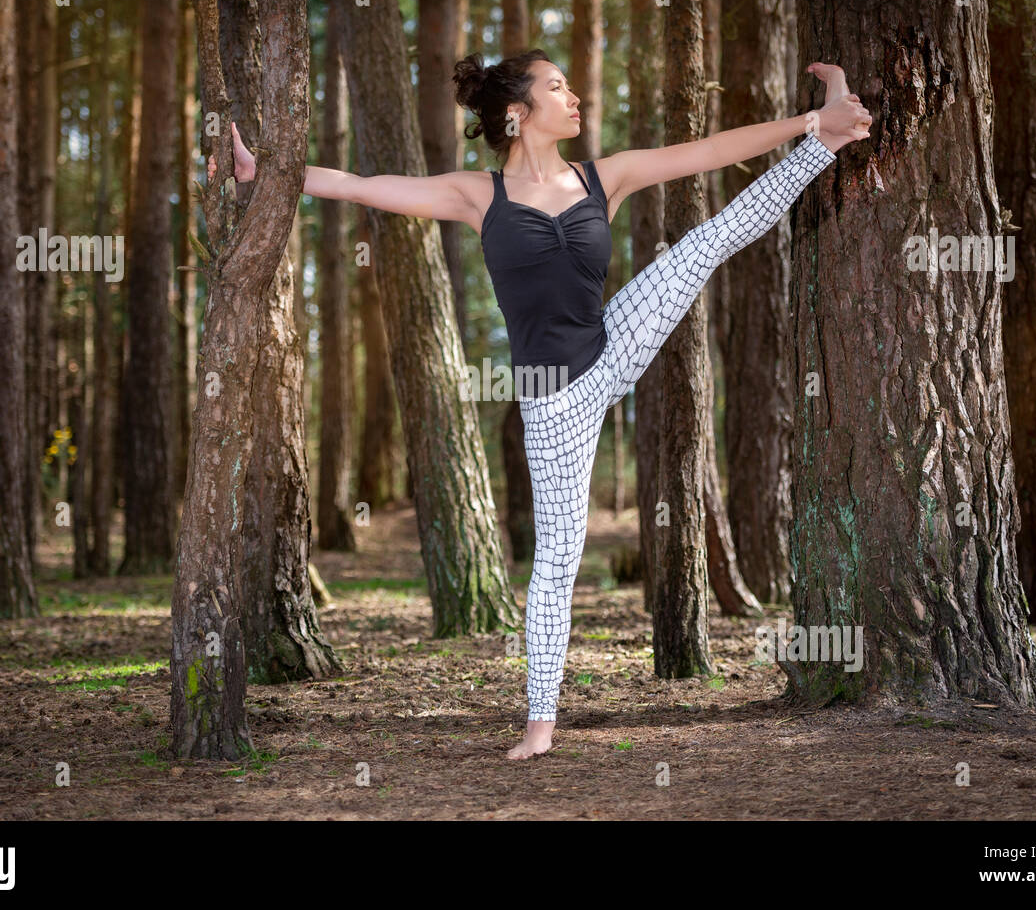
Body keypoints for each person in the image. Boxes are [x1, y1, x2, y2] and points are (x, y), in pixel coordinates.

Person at [211, 51, 872, 760]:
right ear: (518, 112)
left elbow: (707, 151)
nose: (575, 96)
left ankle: (826, 141)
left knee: (701, 247)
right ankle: (540, 722)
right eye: (558, 87)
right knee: (559, 558)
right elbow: (366, 186)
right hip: (553, 401)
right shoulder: (479, 195)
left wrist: (809, 120)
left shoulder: (603, 177)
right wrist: (264, 173)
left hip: (612, 343)